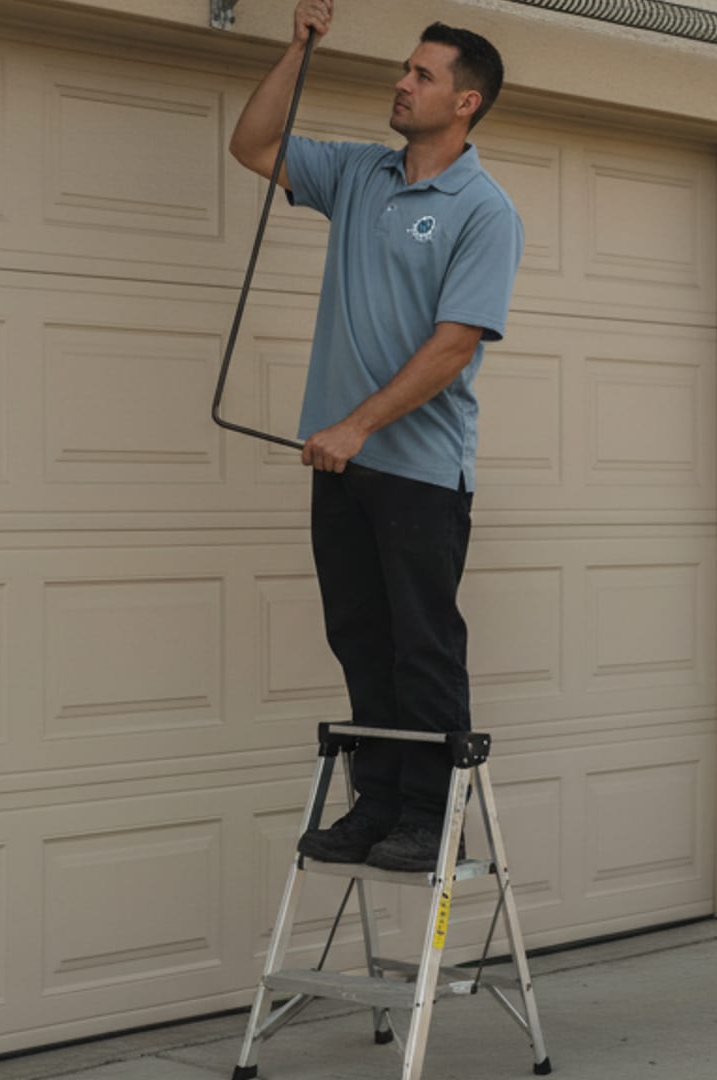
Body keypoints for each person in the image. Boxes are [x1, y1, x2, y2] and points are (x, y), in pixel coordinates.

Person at [228, 0, 524, 871]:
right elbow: (252, 144)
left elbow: (453, 345)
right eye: (407, 67)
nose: (402, 82)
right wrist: (295, 49)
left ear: (465, 102)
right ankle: (380, 805)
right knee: (359, 637)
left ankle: (433, 818)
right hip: (341, 463)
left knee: (421, 645)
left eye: (423, 74)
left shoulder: (483, 210)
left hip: (419, 472)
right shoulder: (360, 174)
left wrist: (357, 425)